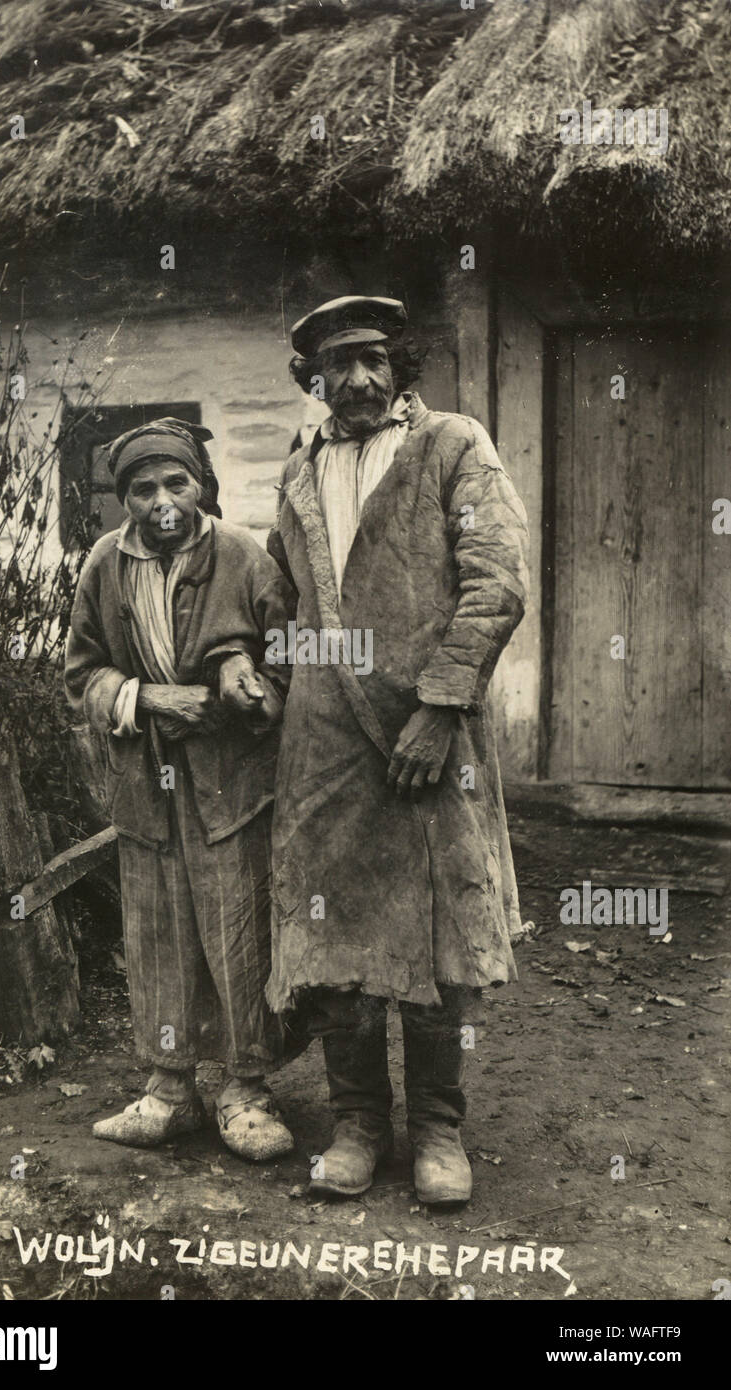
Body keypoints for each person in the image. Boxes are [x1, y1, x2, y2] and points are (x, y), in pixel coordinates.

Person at [266, 297, 530, 1203]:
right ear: (315, 378)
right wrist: (260, 672)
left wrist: (441, 704)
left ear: (400, 364)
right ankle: (356, 1125)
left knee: (435, 933)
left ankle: (439, 1132)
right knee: (330, 927)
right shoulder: (298, 473)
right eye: (339, 364)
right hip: (323, 742)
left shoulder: (454, 445)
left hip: (429, 733)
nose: (360, 379)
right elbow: (285, 600)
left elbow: (496, 581)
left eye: (375, 358)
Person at [65, 417, 299, 1160]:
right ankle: (169, 1090)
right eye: (141, 488)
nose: (161, 500)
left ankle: (245, 1091)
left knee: (236, 930)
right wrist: (145, 698)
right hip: (145, 784)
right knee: (157, 931)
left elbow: (289, 657)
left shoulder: (241, 555)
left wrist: (248, 683)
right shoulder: (105, 562)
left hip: (229, 784)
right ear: (121, 498)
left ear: (201, 485)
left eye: (176, 483)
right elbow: (82, 671)